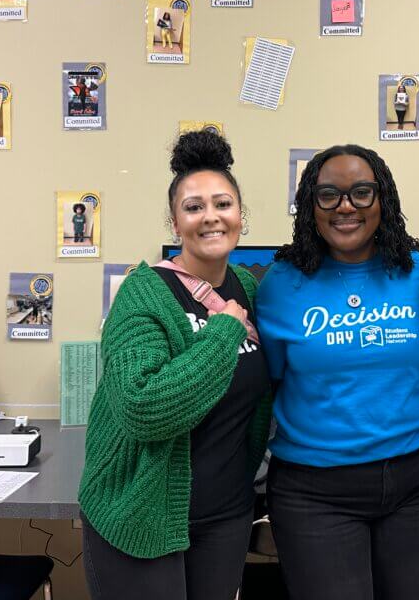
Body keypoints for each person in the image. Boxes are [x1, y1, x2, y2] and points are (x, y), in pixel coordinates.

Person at [78, 130, 271, 600]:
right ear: (174, 223)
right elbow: (144, 408)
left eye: (223, 204)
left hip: (226, 515)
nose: (211, 217)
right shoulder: (144, 294)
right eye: (193, 207)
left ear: (241, 216)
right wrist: (224, 333)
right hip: (141, 512)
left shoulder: (248, 288)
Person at [256, 144, 419, 600]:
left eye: (362, 193)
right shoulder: (281, 283)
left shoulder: (418, 274)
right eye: (329, 195)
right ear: (310, 206)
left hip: (415, 484)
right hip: (315, 491)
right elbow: (273, 377)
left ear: (384, 201)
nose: (345, 206)